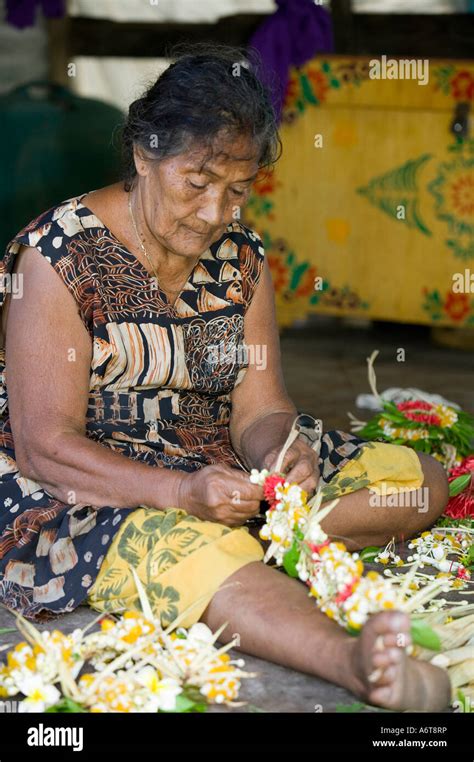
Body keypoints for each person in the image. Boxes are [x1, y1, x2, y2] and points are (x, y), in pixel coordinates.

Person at [0, 43, 451, 711]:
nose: (215, 213)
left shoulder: (241, 256)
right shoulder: (56, 255)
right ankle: (350, 661)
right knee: (185, 544)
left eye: (236, 190)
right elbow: (45, 445)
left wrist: (280, 453)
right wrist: (180, 494)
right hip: (92, 485)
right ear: (143, 156)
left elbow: (259, 406)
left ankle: (233, 556)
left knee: (418, 483)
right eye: (197, 182)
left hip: (215, 463)